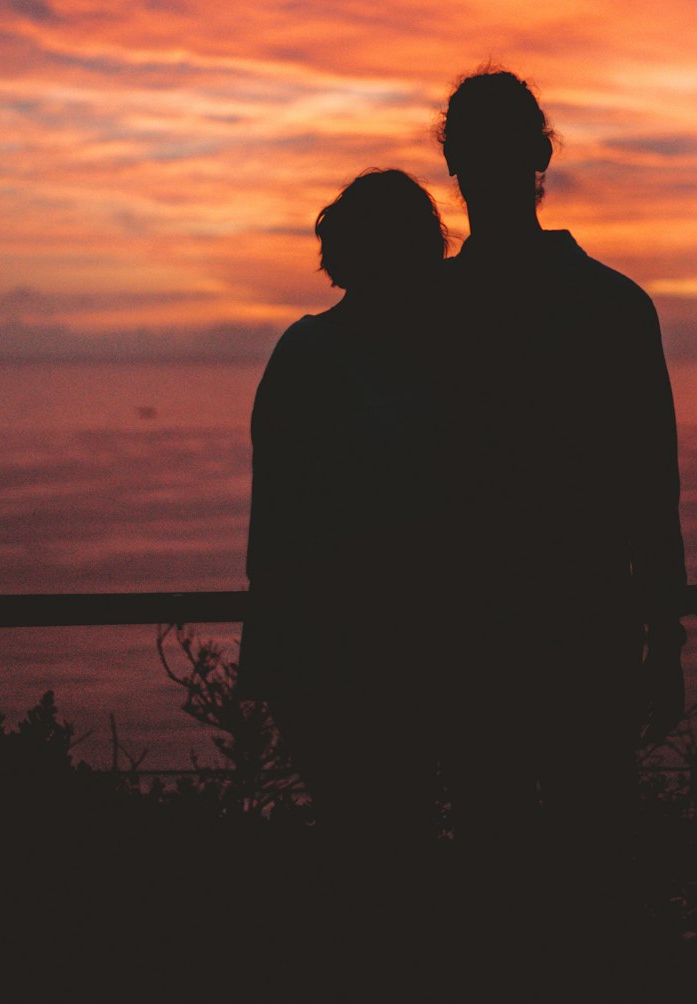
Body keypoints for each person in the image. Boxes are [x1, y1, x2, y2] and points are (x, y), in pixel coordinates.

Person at [436, 67, 687, 986]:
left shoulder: (430, 312)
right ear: (541, 158)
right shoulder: (613, 306)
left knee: (497, 868)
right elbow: (649, 486)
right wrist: (664, 639)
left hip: (476, 638)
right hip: (580, 631)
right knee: (591, 873)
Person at [236, 169, 449, 892]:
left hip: (362, 640)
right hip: (383, 641)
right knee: (393, 838)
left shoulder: (313, 355)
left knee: (370, 839)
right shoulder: (441, 357)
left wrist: (267, 653)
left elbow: (275, 524)